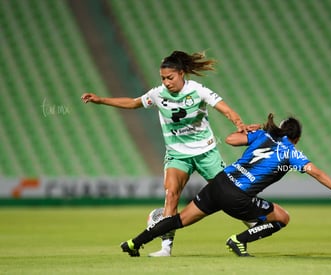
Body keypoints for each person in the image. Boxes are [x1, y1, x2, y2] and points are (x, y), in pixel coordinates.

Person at [120, 113, 331, 257]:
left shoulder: (263, 135)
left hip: (219, 183)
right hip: (236, 196)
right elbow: (317, 173)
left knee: (179, 220)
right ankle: (239, 240)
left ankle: (135, 242)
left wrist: (256, 128)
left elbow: (229, 139)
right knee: (281, 217)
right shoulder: (291, 151)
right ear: (297, 138)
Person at [81, 51, 247, 257]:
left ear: (182, 73)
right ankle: (166, 248)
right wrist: (101, 100)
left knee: (230, 195)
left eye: (170, 78)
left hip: (206, 152)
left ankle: (255, 224)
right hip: (177, 154)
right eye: (163, 78)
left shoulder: (198, 90)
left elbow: (225, 109)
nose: (166, 82)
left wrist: (239, 123)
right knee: (171, 195)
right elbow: (133, 103)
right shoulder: (157, 94)